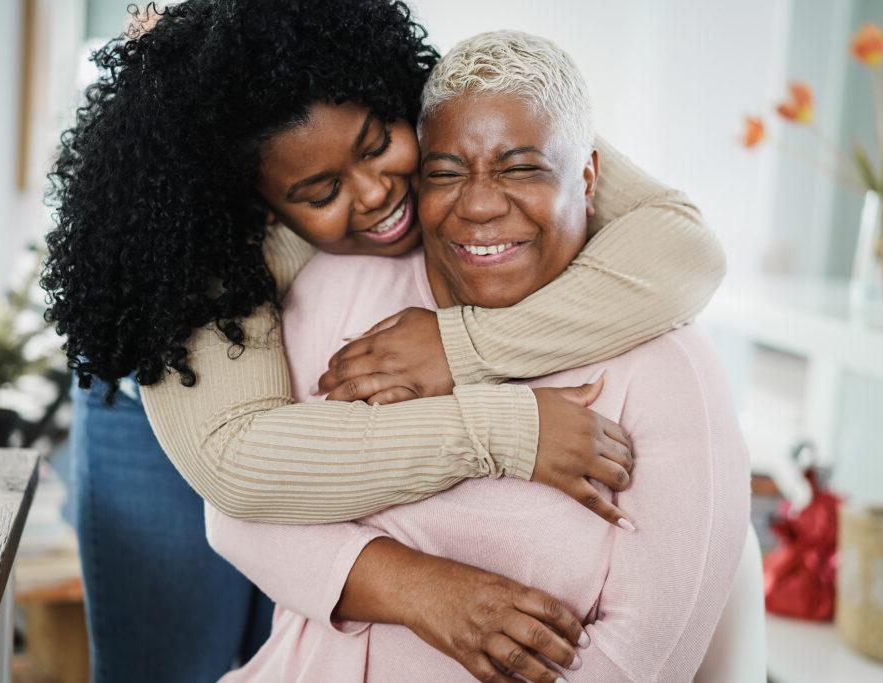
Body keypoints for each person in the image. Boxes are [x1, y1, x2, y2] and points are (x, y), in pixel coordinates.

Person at [42, 0, 725, 679]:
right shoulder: (197, 245)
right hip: (183, 409)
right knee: (166, 663)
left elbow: (685, 246)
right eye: (321, 189)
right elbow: (238, 468)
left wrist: (460, 347)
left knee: (302, 630)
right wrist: (508, 429)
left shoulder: (437, 110)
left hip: (312, 383)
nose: (375, 193)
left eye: (377, 146)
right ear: (258, 206)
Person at [205, 30, 750, 682]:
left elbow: (637, 660)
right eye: (446, 173)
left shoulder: (668, 370)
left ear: (588, 177)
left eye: (521, 168)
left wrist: (460, 349)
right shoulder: (338, 291)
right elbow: (239, 509)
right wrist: (427, 592)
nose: (482, 203)